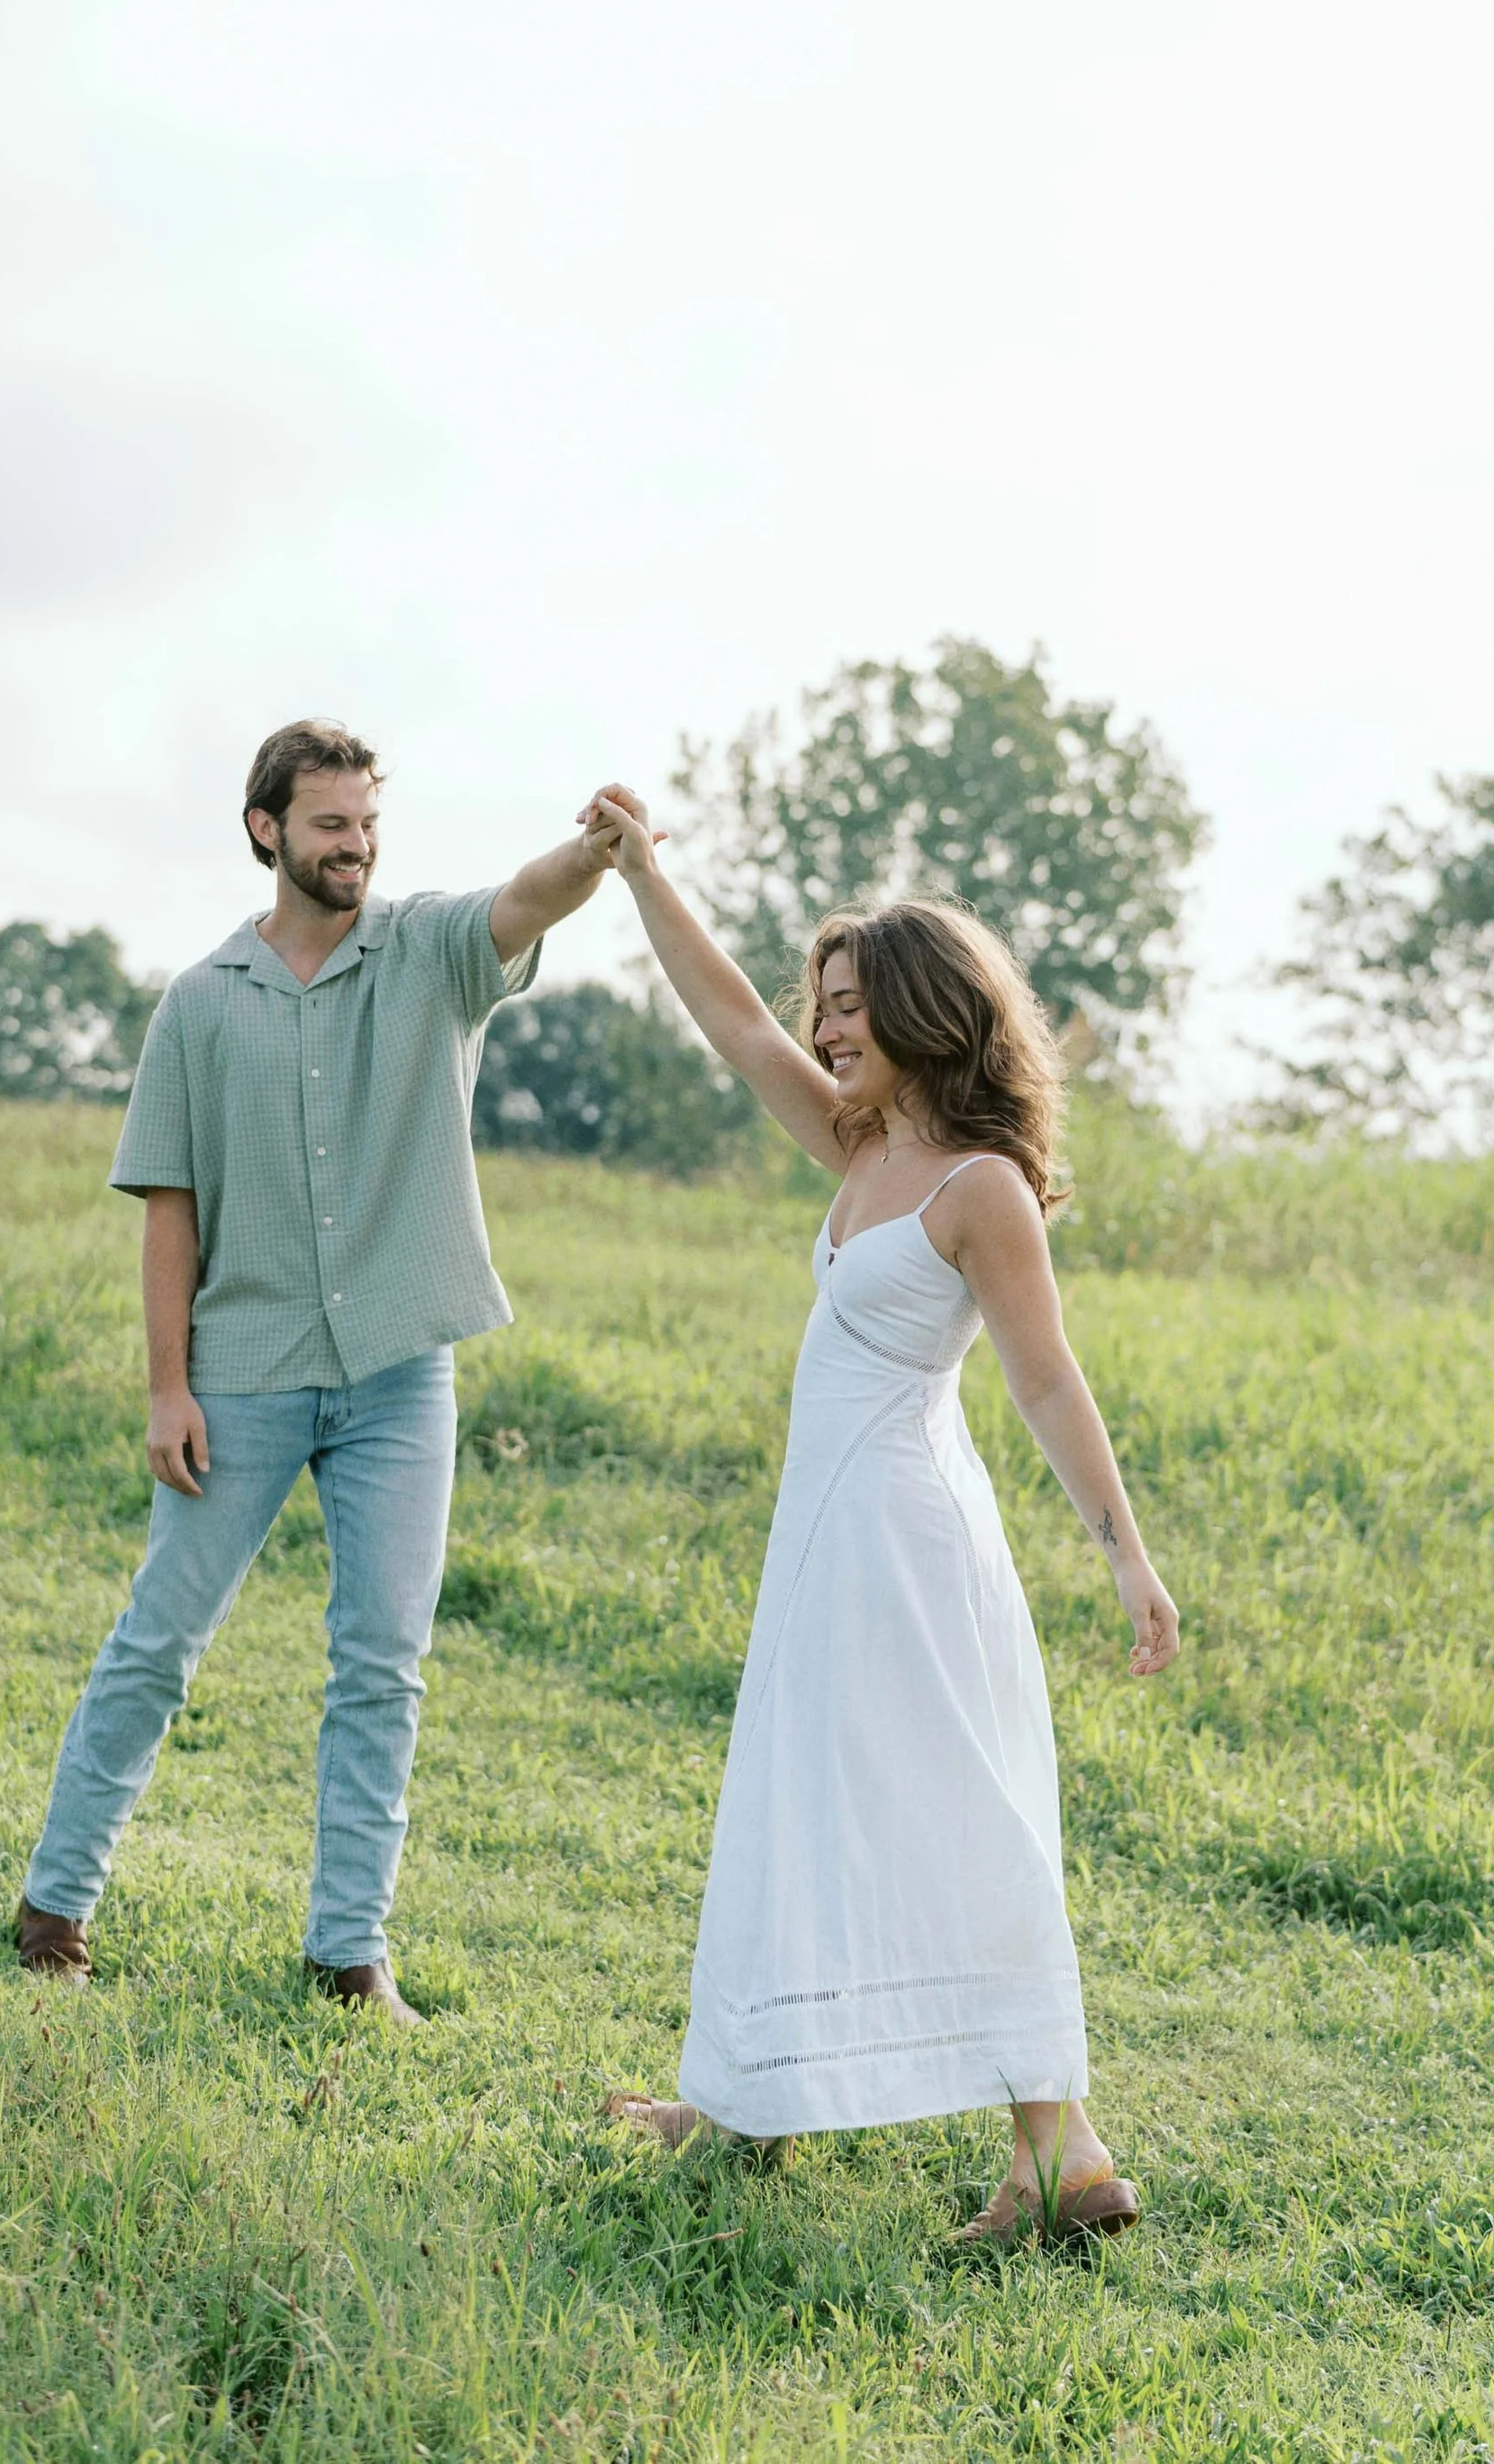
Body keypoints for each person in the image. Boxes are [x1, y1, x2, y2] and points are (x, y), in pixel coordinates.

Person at [588, 796, 1182, 2242]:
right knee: (801, 1793)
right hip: (827, 1539)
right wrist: (645, 874)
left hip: (909, 1542)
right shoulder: (857, 1146)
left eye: (852, 1007)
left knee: (951, 1814)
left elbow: (1047, 1380)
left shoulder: (982, 1189)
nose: (827, 1028)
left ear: (923, 1010)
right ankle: (747, 2090)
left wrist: (1129, 1559)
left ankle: (1062, 2153)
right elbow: (733, 1024)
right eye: (826, 1006)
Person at [14, 718, 636, 2018]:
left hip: (404, 1375)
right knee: (159, 1641)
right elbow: (168, 1208)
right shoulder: (197, 1002)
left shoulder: (428, 954)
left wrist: (595, 849)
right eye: (330, 825)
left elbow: (528, 900)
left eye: (367, 826)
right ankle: (53, 1909)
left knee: (381, 1662)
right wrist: (166, 1388)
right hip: (238, 1370)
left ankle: (348, 1954)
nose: (354, 847)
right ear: (267, 831)